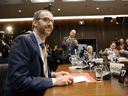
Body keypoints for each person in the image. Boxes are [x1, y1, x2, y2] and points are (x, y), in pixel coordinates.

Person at [4, 10, 73, 96]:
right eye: (46, 20)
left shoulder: (41, 45)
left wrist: (53, 74)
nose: (50, 24)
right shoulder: (23, 41)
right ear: (35, 23)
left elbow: (37, 73)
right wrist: (54, 81)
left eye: (52, 21)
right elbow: (19, 81)